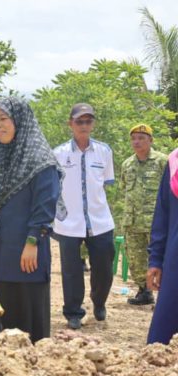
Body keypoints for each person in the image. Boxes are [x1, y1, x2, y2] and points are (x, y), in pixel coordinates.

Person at [0, 97, 61, 342]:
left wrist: (32, 242)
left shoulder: (41, 161)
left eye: (4, 119)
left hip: (26, 253)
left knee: (27, 321)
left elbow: (45, 206)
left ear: (21, 121)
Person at [53, 103, 115, 330]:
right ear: (70, 124)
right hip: (69, 221)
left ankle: (99, 301)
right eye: (79, 121)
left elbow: (105, 184)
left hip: (100, 220)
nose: (84, 125)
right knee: (71, 270)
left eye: (88, 121)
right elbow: (53, 187)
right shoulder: (58, 154)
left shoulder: (104, 151)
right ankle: (73, 312)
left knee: (104, 268)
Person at [121, 123, 168, 306]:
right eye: (133, 138)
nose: (136, 142)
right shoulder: (127, 164)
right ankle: (144, 291)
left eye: (141, 138)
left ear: (150, 140)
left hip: (156, 222)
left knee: (161, 259)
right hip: (133, 222)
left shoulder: (162, 161)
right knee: (136, 259)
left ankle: (165, 296)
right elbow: (125, 190)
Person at [147, 148, 178, 344]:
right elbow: (162, 215)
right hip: (176, 262)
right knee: (160, 344)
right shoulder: (174, 163)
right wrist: (156, 260)